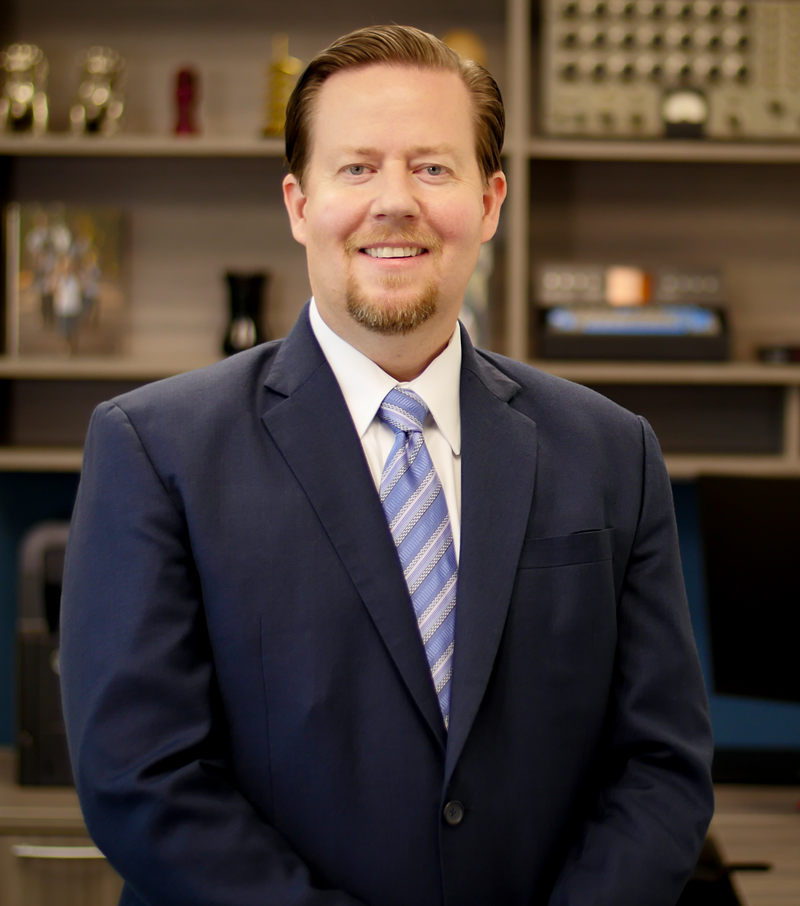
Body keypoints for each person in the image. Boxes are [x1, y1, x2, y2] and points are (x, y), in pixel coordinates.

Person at [61, 24, 714, 906]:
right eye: (357, 167)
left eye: (433, 168)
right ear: (299, 203)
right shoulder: (155, 447)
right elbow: (139, 778)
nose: (395, 201)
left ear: (489, 203)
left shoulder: (611, 452)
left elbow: (661, 765)